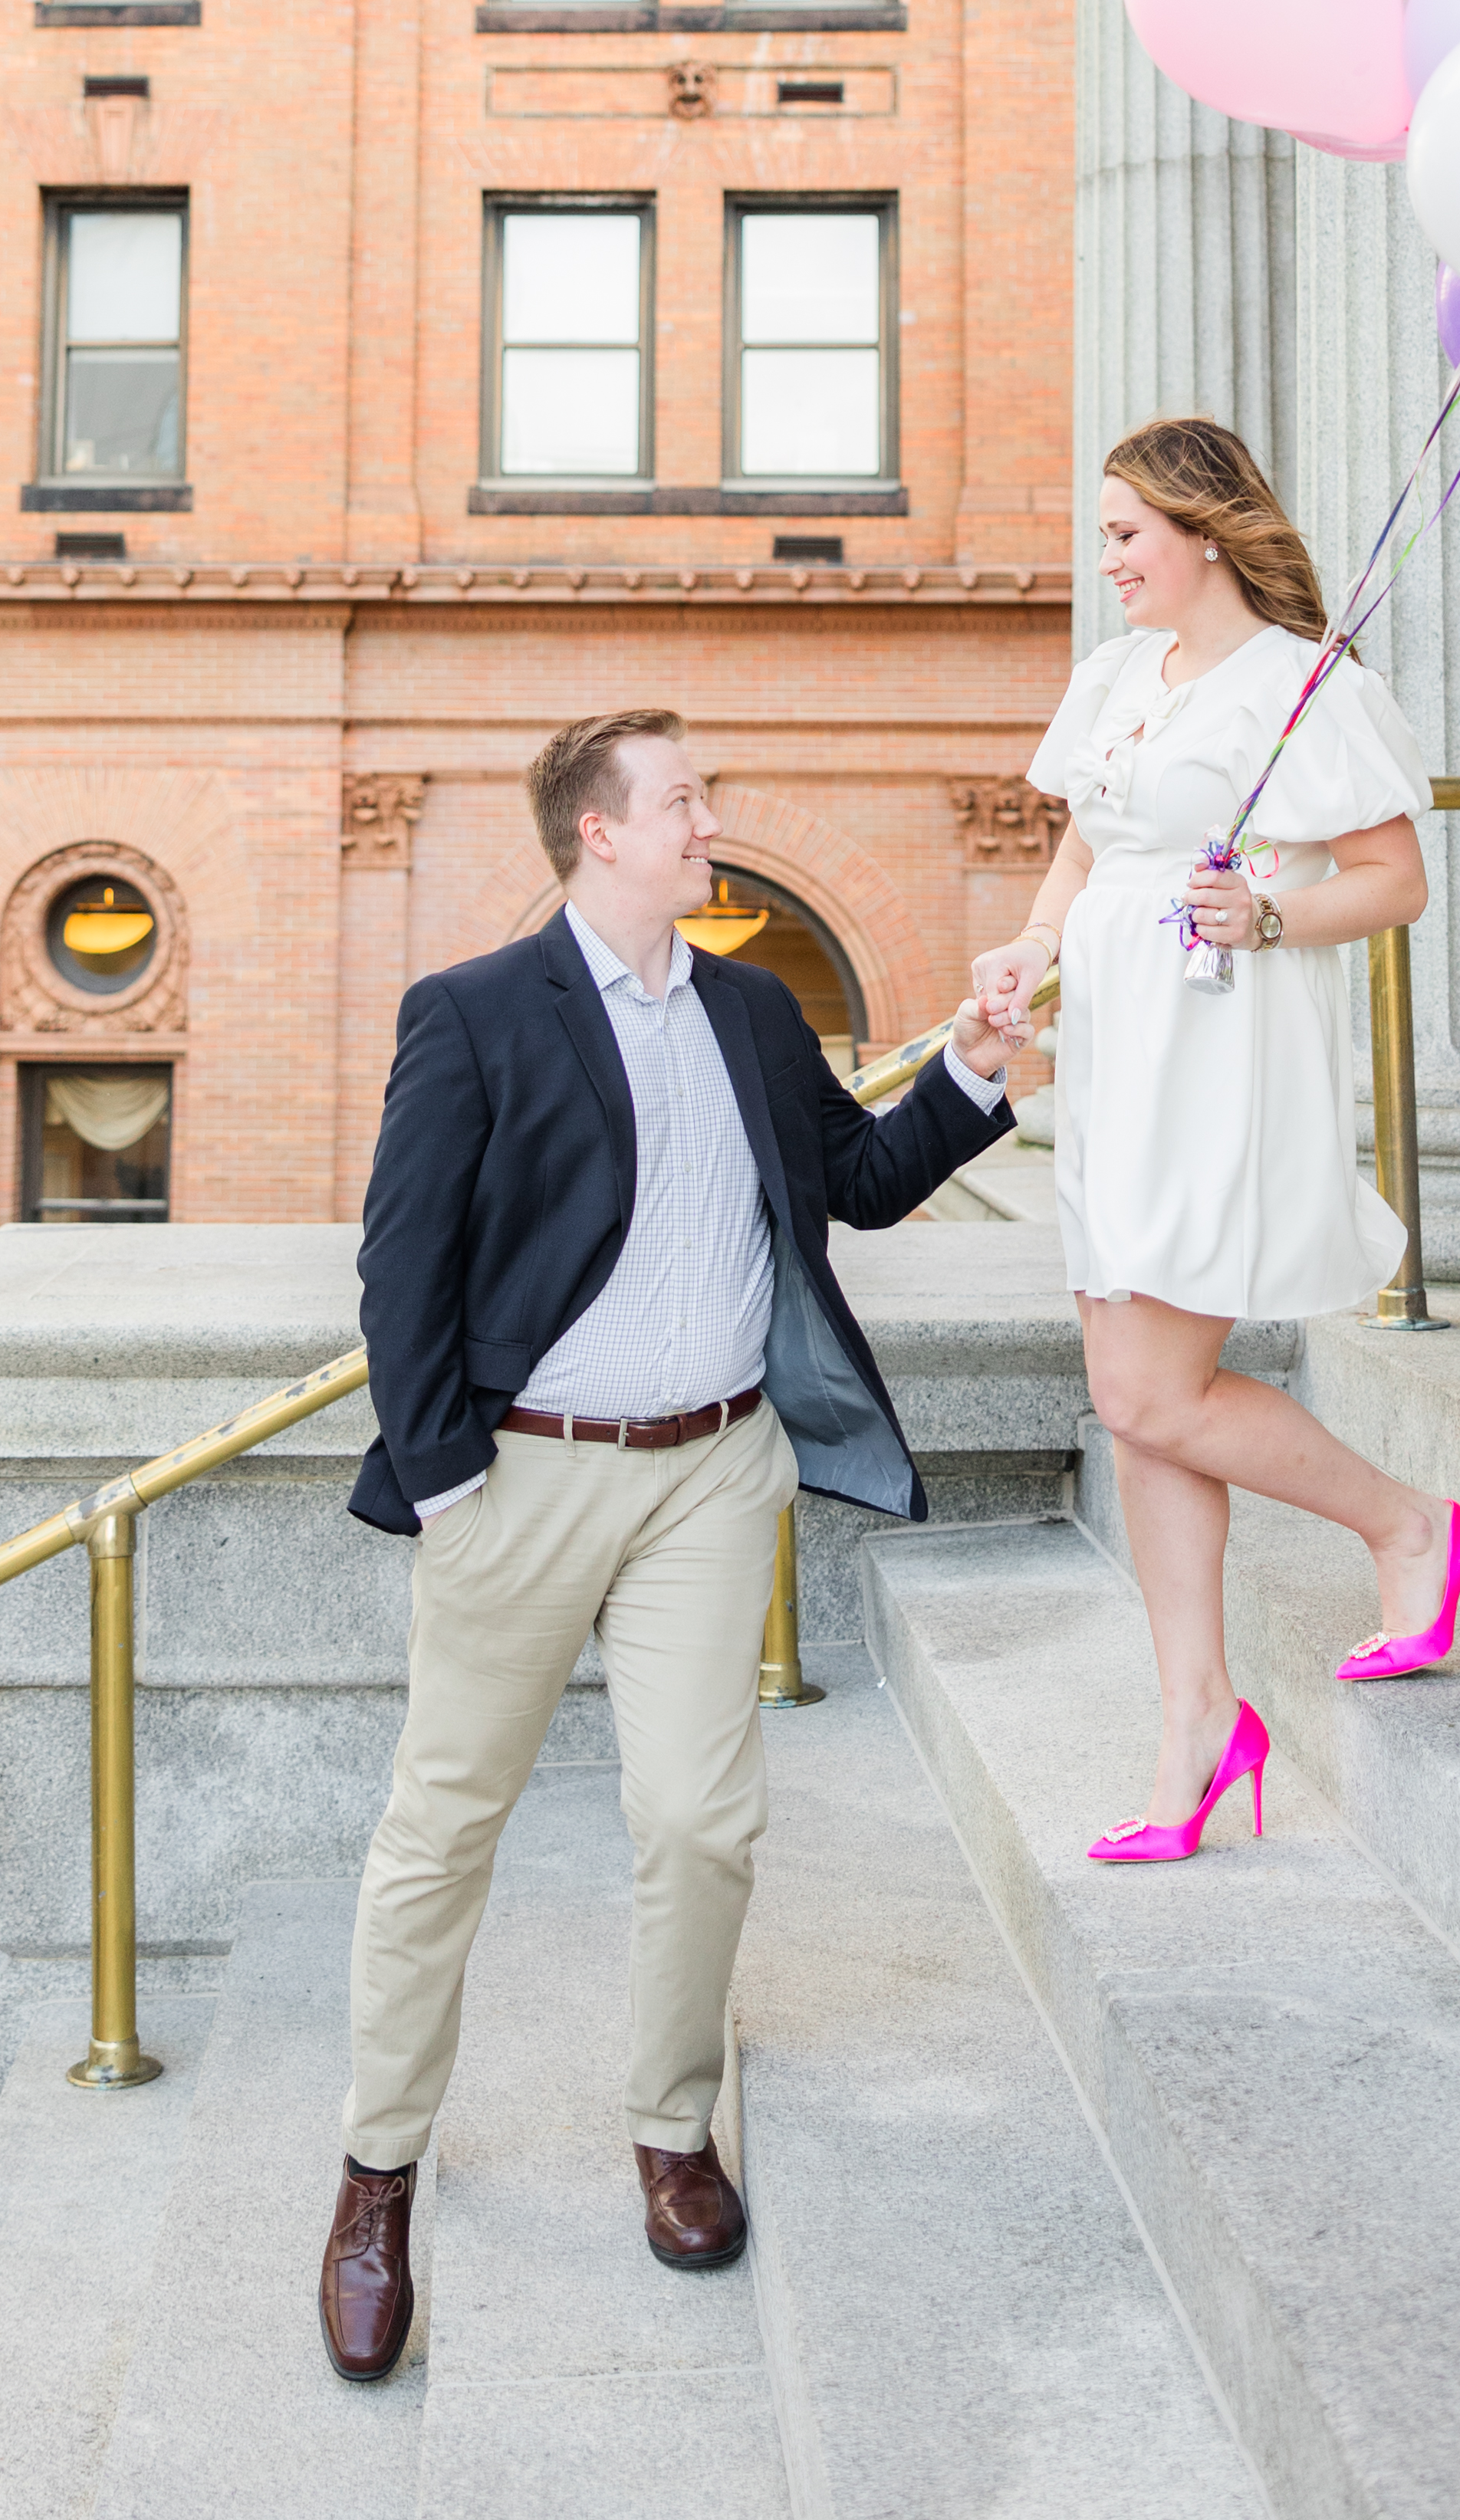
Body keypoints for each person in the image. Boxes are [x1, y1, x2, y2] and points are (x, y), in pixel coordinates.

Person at [318, 705, 1014, 2381]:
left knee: (700, 1819)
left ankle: (671, 2126)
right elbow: (399, 1271)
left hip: (714, 1474)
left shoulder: (757, 1008)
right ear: (598, 834)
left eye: (703, 793)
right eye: (683, 798)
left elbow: (852, 1180)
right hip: (525, 1484)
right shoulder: (475, 1015)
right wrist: (450, 1479)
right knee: (440, 1835)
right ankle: (375, 2170)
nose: (710, 817)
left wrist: (976, 1066)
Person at [971, 418, 1460, 1866]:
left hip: (1220, 1048)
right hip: (1115, 1054)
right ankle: (1197, 1718)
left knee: (1149, 1394)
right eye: (1103, 535)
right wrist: (1030, 946)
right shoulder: (1113, 677)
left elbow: (1392, 881)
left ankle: (1407, 1530)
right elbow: (1085, 847)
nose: (1109, 561)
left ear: (1202, 531)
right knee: (1136, 1394)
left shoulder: (1307, 687)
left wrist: (1269, 912)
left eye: (1126, 534)